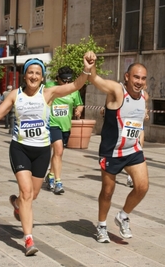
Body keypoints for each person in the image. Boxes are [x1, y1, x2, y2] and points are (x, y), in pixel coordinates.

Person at [0, 52, 96, 256]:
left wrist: (87, 68)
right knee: (27, 193)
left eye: (37, 73)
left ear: (42, 76)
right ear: (25, 75)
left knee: (33, 195)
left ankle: (17, 204)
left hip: (41, 151)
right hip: (20, 148)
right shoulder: (15, 95)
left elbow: (75, 85)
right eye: (30, 72)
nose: (33, 76)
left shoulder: (48, 93)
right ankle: (28, 239)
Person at [88, 63, 149, 243]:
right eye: (136, 77)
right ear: (127, 76)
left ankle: (123, 216)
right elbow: (95, 80)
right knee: (107, 191)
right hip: (112, 152)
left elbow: (138, 121)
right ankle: (101, 225)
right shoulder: (117, 91)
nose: (139, 82)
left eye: (143, 78)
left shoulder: (145, 96)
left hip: (132, 150)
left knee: (142, 186)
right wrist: (90, 67)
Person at [45, 66, 84, 194]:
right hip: (52, 124)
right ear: (58, 79)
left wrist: (79, 109)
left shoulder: (73, 90)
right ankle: (58, 182)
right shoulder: (50, 86)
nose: (67, 83)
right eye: (64, 81)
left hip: (66, 126)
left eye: (69, 81)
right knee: (59, 150)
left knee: (58, 153)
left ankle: (50, 175)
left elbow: (79, 103)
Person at [126, 90, 149, 187]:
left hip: (138, 125)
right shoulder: (125, 95)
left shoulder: (144, 96)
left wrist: (146, 115)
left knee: (139, 148)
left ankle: (131, 177)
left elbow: (145, 111)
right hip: (130, 125)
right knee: (131, 150)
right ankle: (130, 177)